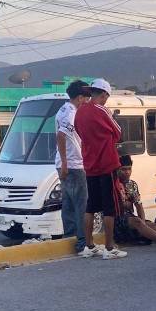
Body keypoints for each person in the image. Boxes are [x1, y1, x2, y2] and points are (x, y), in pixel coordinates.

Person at [74, 78, 127, 260]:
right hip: (107, 164)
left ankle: (89, 246)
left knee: (91, 207)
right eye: (106, 96)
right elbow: (118, 132)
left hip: (90, 165)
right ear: (103, 94)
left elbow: (79, 133)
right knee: (109, 208)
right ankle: (109, 248)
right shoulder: (102, 110)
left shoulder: (79, 111)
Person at [55, 80, 91, 253]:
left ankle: (69, 237)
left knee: (68, 204)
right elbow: (61, 135)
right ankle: (82, 243)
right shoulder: (72, 114)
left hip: (65, 164)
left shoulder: (63, 109)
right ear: (79, 97)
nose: (88, 101)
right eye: (86, 98)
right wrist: (65, 163)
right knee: (81, 204)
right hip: (73, 165)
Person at [114, 160, 156, 250]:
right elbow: (118, 206)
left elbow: (138, 205)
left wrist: (143, 223)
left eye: (129, 169)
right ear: (117, 170)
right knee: (137, 221)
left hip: (130, 218)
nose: (127, 172)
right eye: (123, 169)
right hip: (116, 220)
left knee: (154, 225)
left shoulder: (132, 184)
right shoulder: (113, 184)